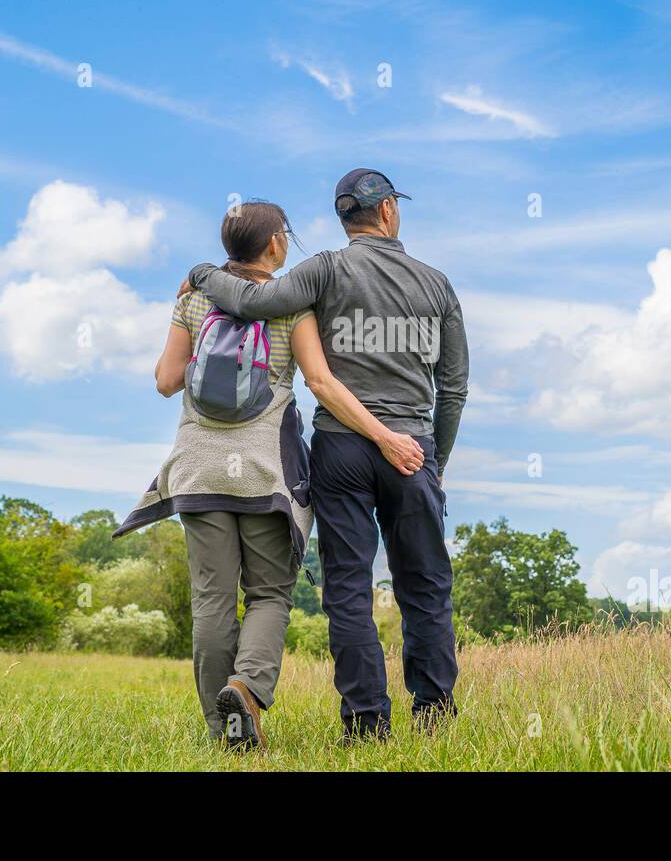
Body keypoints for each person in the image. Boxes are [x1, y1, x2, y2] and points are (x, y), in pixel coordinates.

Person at [181, 170, 469, 741]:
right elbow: (454, 387)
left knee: (346, 587)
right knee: (426, 585)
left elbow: (251, 299)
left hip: (339, 447)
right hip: (412, 445)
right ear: (387, 211)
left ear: (346, 218)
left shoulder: (325, 270)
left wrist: (200, 273)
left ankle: (365, 722)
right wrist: (435, 459)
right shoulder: (437, 285)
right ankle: (434, 715)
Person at [126, 199, 424, 751]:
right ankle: (247, 687)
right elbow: (322, 382)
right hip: (267, 477)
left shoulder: (194, 300)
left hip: (197, 471)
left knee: (212, 601)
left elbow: (166, 381)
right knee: (268, 595)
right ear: (275, 246)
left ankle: (224, 733)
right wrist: (384, 436)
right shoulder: (294, 308)